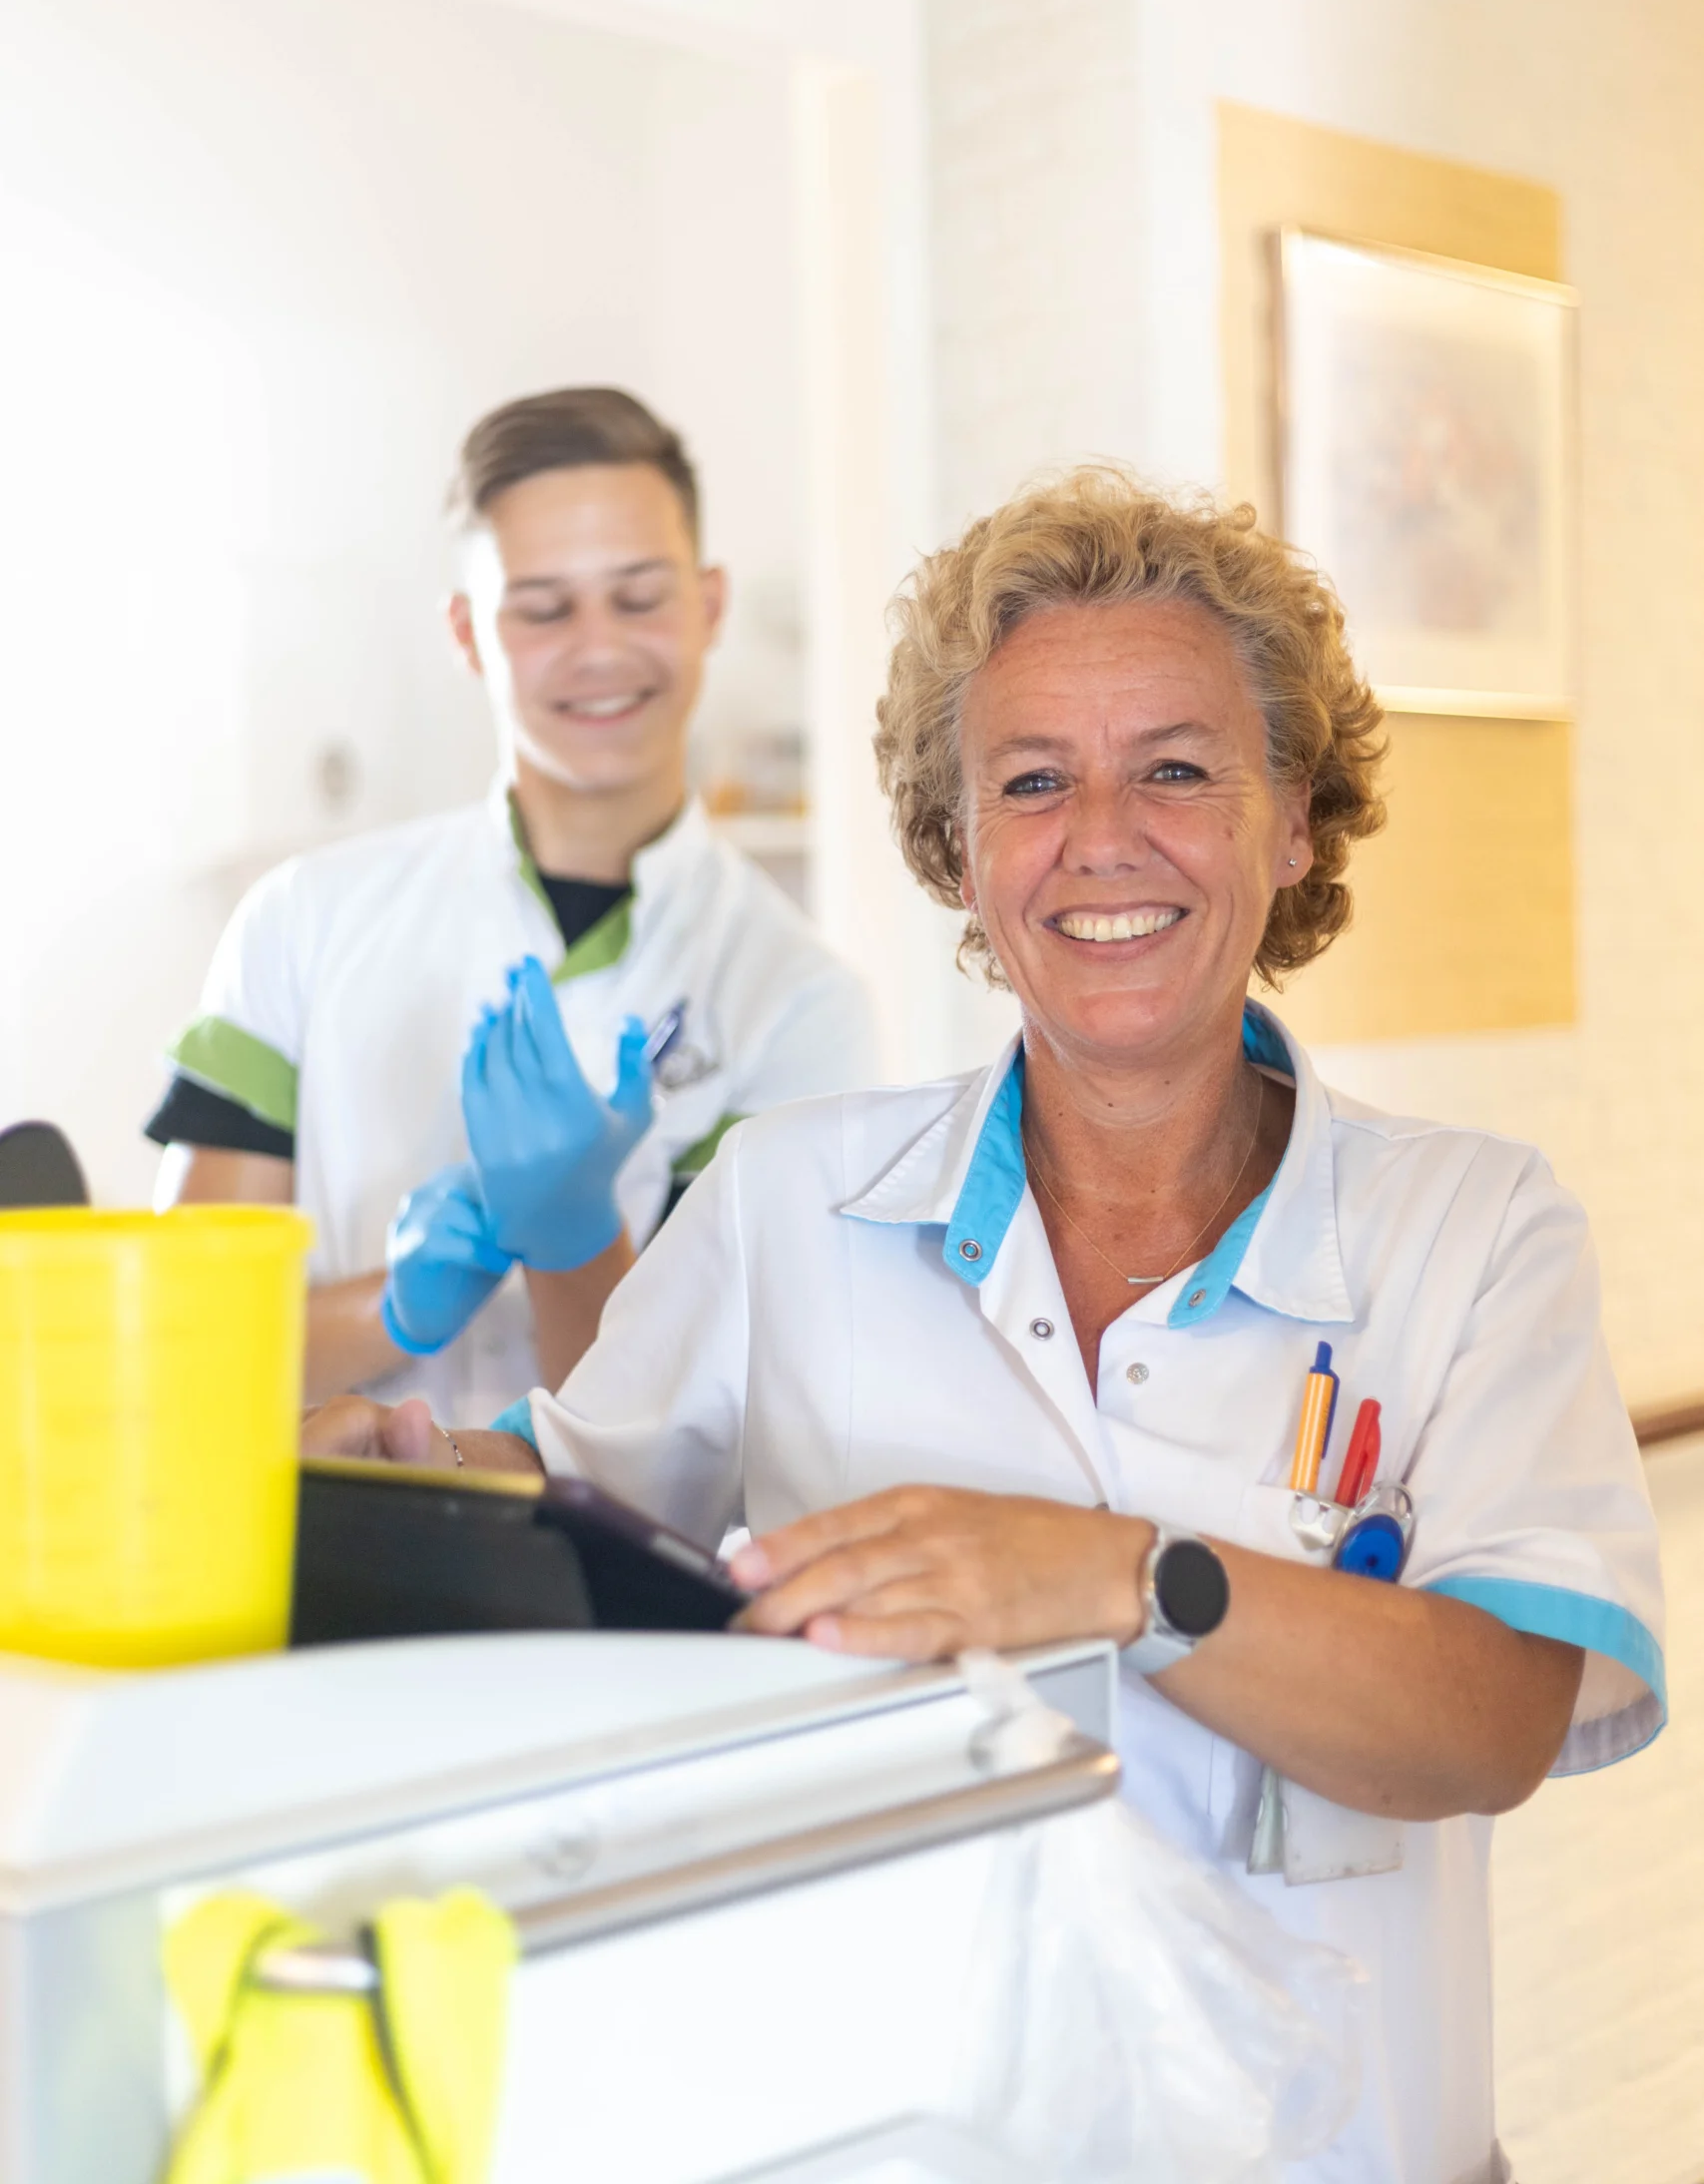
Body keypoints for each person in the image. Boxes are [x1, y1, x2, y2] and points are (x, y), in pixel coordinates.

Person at [306, 468, 1663, 2182]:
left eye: (1175, 767)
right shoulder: (786, 1203)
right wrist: (375, 1472)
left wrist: (1108, 1572)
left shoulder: (1467, 1229)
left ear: (1292, 819)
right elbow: (551, 1510)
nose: (1102, 837)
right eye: (1033, 783)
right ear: (959, 850)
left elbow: (1493, 1723)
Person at [150, 386, 877, 1420]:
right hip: (320, 1566)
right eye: (542, 608)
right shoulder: (300, 924)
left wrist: (576, 1233)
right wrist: (395, 1305)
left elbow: (714, 1429)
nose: (598, 649)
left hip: (605, 1582)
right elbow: (174, 1361)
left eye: (638, 598)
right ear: (469, 633)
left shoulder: (799, 1002)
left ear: (709, 605)